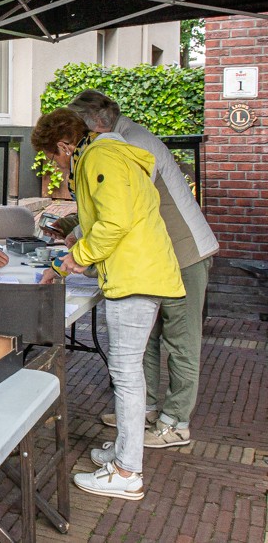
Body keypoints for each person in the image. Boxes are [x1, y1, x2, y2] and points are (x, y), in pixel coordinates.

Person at [33, 108, 184, 501]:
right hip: (139, 271)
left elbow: (114, 222)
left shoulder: (99, 156)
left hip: (134, 275)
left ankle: (127, 471)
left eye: (52, 156)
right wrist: (68, 255)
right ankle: (123, 452)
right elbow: (110, 214)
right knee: (127, 371)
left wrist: (79, 256)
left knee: (126, 373)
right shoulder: (110, 153)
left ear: (64, 145)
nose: (55, 165)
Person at [66, 89, 218, 447]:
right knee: (146, 338)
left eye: (79, 130)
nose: (77, 141)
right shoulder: (120, 139)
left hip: (186, 254)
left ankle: (176, 423)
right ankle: (144, 408)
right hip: (160, 258)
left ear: (95, 123)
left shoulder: (131, 143)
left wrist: (80, 243)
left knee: (181, 341)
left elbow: (121, 209)